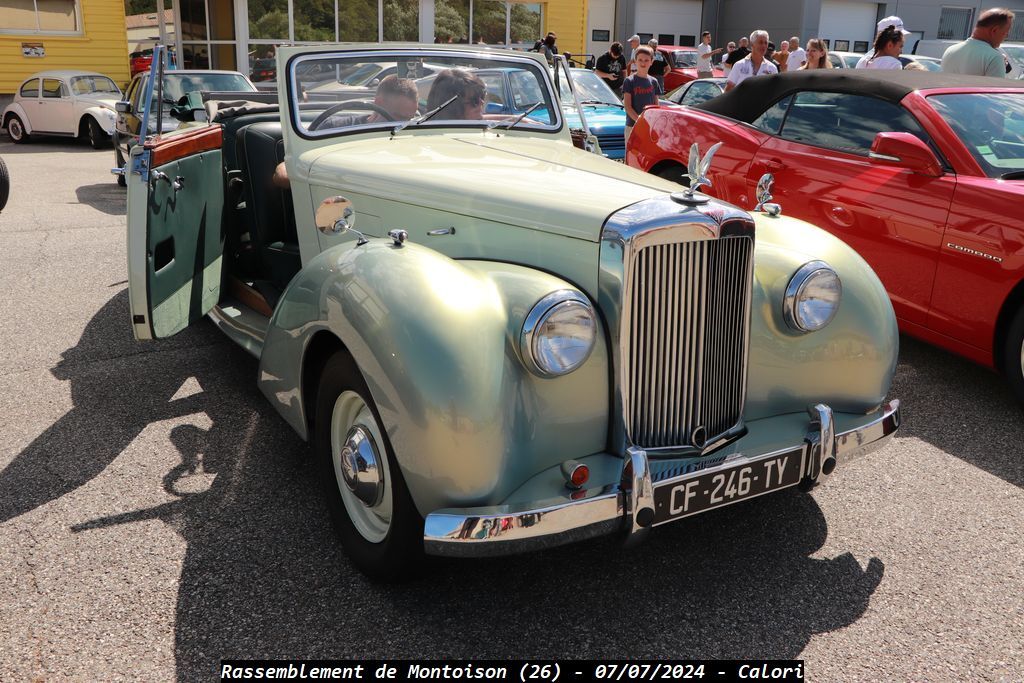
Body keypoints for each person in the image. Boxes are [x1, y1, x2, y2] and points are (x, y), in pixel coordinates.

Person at [274, 75, 419, 188]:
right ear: (379, 103)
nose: (405, 125)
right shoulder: (336, 128)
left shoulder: (413, 140)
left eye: (410, 119)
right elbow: (284, 173)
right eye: (398, 118)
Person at [942, 8, 1015, 77]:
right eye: (1006, 33)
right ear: (994, 30)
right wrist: (998, 64)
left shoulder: (950, 50)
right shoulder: (994, 58)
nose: (1006, 37)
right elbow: (996, 89)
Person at [622, 45, 662, 142]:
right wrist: (640, 121)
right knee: (632, 156)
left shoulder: (654, 82)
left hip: (649, 127)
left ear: (651, 62)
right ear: (635, 61)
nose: (643, 63)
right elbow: (627, 106)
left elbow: (656, 106)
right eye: (640, 60)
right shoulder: (629, 81)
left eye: (646, 60)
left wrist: (653, 123)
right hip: (632, 127)